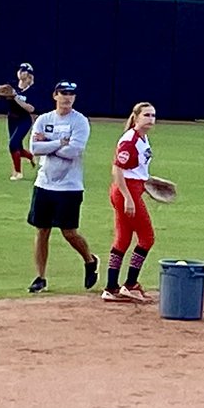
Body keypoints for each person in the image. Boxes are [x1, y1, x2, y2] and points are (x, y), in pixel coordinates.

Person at [26, 80, 99, 293]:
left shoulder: (80, 122)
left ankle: (89, 260)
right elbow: (34, 148)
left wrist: (48, 143)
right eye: (63, 93)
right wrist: (59, 142)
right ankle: (40, 277)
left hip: (69, 186)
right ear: (55, 95)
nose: (67, 97)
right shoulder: (44, 119)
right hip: (44, 183)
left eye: (71, 94)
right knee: (42, 230)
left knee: (69, 232)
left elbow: (74, 151)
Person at [102, 102, 158, 303]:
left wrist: (149, 183)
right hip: (126, 191)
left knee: (123, 239)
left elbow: (137, 170)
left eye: (153, 115)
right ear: (136, 117)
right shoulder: (130, 140)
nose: (151, 119)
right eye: (146, 115)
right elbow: (117, 170)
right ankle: (130, 284)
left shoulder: (143, 138)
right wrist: (128, 197)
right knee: (147, 238)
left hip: (133, 189)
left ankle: (111, 287)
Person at [0, 62, 36, 181]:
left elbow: (31, 109)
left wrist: (16, 98)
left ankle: (18, 172)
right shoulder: (11, 85)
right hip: (12, 119)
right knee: (18, 148)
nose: (21, 72)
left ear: (29, 74)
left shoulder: (32, 90)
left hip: (24, 120)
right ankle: (30, 156)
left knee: (13, 144)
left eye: (24, 70)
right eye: (20, 70)